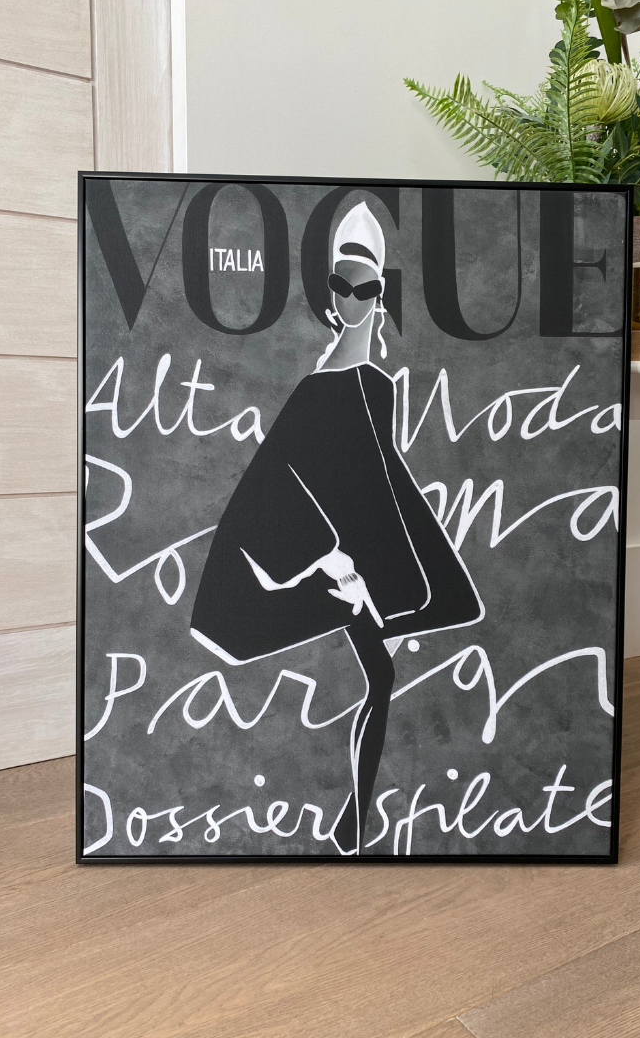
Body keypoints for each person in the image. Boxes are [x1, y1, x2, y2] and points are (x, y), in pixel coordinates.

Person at [190, 201, 483, 854]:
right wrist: (336, 561)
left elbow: (378, 478)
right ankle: (350, 816)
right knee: (378, 677)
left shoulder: (375, 384)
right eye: (341, 286)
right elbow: (275, 484)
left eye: (366, 288)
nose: (352, 299)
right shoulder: (317, 388)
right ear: (329, 296)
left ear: (380, 296)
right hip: (323, 565)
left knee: (385, 674)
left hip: (362, 557)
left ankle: (354, 815)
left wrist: (395, 566)